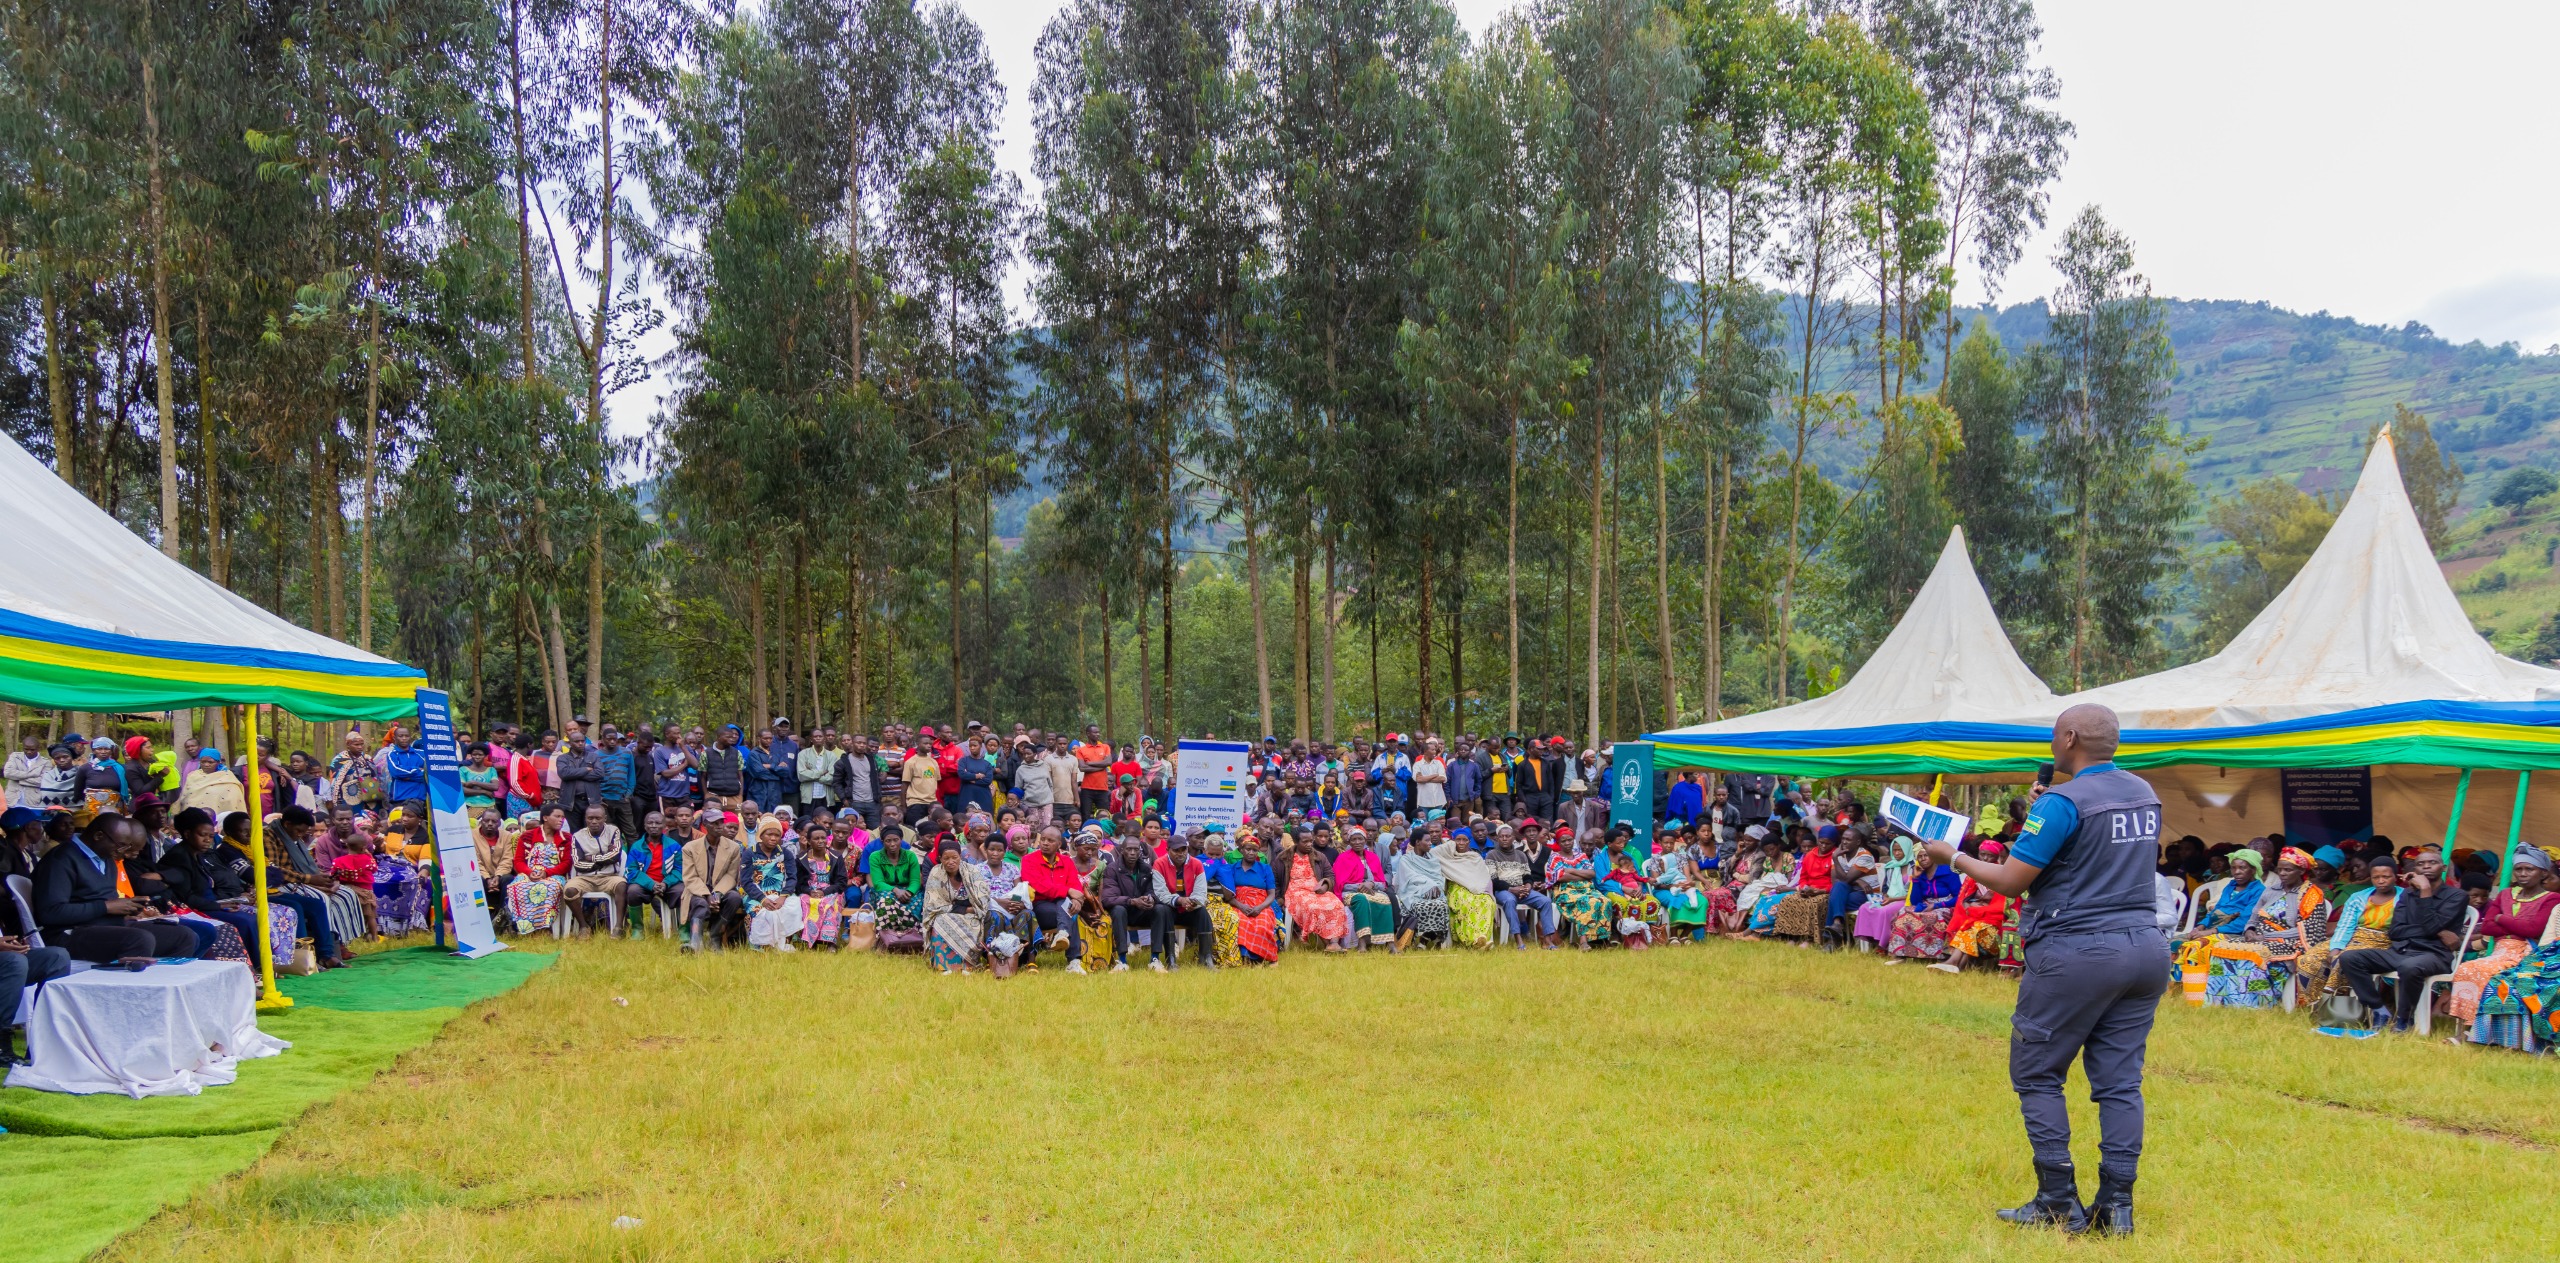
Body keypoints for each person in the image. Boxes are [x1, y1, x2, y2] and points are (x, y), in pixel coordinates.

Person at [1922, 703, 2167, 1237]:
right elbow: (2094, 855)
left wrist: (1952, 856)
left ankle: (2057, 1200)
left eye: (2055, 736)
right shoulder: (2143, 793)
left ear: (2070, 737)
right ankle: (2116, 1207)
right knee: (2120, 1082)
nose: (2052, 744)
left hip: (2079, 950)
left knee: (2037, 1072)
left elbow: (2011, 881)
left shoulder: (2062, 802)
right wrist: (2044, 814)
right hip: (2145, 948)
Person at [36, 814, 202, 962]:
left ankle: (164, 984)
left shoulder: (106, 858)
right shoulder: (61, 859)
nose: (124, 852)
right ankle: (132, 986)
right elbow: (51, 912)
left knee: (184, 936)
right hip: (70, 933)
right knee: (139, 939)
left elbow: (106, 901)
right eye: (121, 845)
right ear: (99, 836)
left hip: (106, 926)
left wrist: (127, 908)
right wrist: (106, 907)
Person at [2335, 849, 2468, 1034]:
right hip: (2401, 950)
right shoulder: (2407, 894)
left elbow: (2431, 927)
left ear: (2443, 867)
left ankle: (2404, 1020)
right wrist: (2437, 931)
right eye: (2421, 864)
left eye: (2432, 863)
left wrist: (2425, 891)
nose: (2426, 867)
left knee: (2409, 967)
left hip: (2434, 954)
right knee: (2349, 958)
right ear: (2415, 869)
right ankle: (2379, 1009)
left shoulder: (2456, 896)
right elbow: (2396, 931)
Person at [2451, 845, 2557, 1033]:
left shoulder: (2551, 898)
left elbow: (2533, 929)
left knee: (2483, 971)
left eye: (2529, 869)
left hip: (2526, 953)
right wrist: (2517, 925)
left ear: (2543, 873)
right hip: (2499, 950)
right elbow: (2487, 927)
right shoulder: (2505, 894)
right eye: (2518, 869)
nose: (2522, 874)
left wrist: (2501, 918)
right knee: (2466, 968)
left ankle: (2476, 1030)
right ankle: (2464, 1028)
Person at [922, 844, 994, 973]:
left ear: (960, 856)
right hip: (946, 913)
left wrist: (969, 909)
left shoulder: (972, 871)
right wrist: (965, 909)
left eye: (954, 857)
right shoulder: (936, 872)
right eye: (946, 858)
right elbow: (933, 904)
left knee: (974, 922)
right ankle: (943, 966)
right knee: (940, 921)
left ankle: (967, 965)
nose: (951, 862)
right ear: (940, 858)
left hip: (972, 913)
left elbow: (982, 898)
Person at [1212, 833, 1281, 964]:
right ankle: (1244, 956)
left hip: (1261, 904)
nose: (1251, 852)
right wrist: (1241, 906)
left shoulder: (1265, 868)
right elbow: (1228, 894)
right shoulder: (1232, 868)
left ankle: (1258, 957)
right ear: (1241, 850)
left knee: (1262, 924)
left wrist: (1259, 908)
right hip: (1237, 903)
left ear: (1258, 852)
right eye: (1248, 849)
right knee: (1240, 922)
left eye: (1254, 850)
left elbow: (1271, 894)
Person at [681, 812, 746, 950]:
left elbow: (731, 875)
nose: (719, 826)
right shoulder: (690, 848)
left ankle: (715, 935)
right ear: (705, 825)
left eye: (721, 822)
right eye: (714, 823)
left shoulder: (733, 847)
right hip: (698, 890)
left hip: (721, 889)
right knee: (700, 903)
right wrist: (707, 895)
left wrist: (717, 894)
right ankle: (695, 942)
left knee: (734, 898)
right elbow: (690, 877)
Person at [1278, 833, 1350, 952]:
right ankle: (1328, 944)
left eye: (1310, 841)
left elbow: (1330, 875)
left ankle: (1334, 943)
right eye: (1305, 842)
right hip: (1295, 892)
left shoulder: (1319, 856)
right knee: (1313, 907)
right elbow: (1275, 878)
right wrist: (1279, 898)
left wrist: (1325, 885)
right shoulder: (1284, 857)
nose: (1309, 844)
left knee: (1337, 905)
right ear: (1296, 841)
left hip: (1317, 890)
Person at [507, 808, 572, 934]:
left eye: (562, 817)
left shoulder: (566, 838)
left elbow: (566, 863)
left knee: (550, 887)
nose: (561, 820)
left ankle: (545, 927)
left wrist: (547, 873)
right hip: (529, 873)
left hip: (554, 874)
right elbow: (518, 861)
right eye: (557, 816)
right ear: (545, 818)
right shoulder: (527, 836)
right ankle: (525, 927)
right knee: (517, 886)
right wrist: (529, 873)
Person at [562, 804, 628, 932]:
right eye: (590, 818)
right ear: (585, 818)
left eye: (598, 818)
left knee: (622, 885)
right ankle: (583, 926)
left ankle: (619, 927)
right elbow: (578, 864)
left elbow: (615, 856)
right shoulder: (577, 836)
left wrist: (591, 858)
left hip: (610, 876)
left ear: (605, 818)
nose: (594, 821)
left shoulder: (613, 831)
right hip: (584, 878)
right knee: (569, 890)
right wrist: (604, 859)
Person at [621, 811, 684, 937]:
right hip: (645, 884)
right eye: (650, 823)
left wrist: (665, 883)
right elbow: (631, 871)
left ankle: (684, 930)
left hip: (667, 883)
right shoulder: (637, 847)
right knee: (633, 891)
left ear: (664, 826)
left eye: (658, 823)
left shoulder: (674, 846)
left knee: (683, 891)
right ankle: (637, 929)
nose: (654, 826)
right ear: (645, 826)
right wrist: (651, 884)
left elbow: (680, 869)